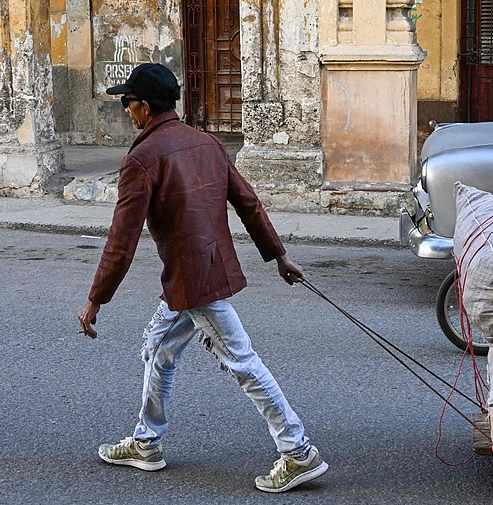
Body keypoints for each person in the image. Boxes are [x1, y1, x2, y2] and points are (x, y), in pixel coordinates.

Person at [77, 63, 328, 493]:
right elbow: (249, 203)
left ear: (144, 106)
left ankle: (297, 451)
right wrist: (279, 256)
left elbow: (122, 242)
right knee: (158, 347)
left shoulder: (142, 159)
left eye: (127, 103)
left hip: (194, 282)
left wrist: (96, 299)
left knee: (242, 363)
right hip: (194, 275)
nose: (125, 111)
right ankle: (145, 441)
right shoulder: (206, 142)